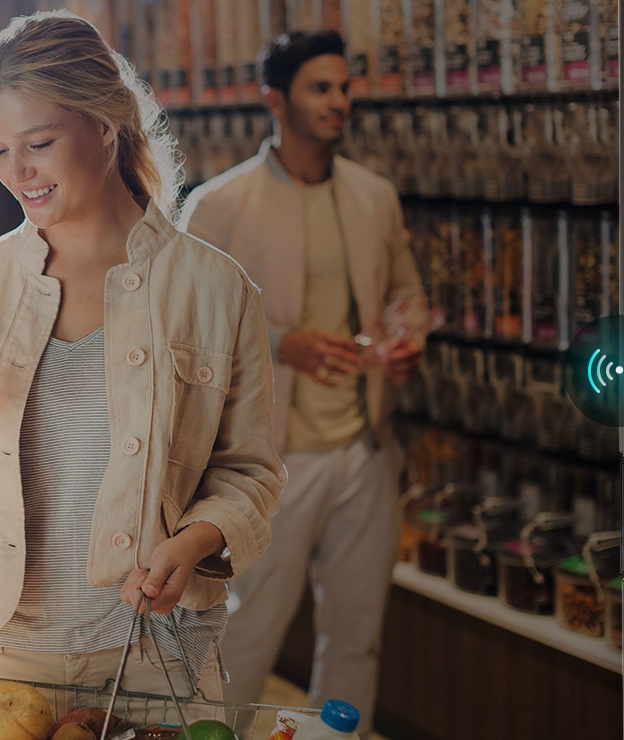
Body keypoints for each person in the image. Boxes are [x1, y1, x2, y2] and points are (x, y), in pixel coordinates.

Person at [0, 10, 283, 710]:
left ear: (104, 124)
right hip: (4, 653)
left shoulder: (214, 288)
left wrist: (193, 541)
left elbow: (252, 473)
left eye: (39, 143)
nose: (18, 173)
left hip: (159, 654)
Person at [178, 29, 428, 732]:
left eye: (344, 88)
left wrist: (408, 339)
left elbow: (407, 294)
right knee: (247, 630)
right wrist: (285, 344)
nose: (339, 102)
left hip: (365, 450)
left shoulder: (375, 196)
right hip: (269, 464)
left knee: (356, 638)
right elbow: (184, 330)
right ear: (274, 101)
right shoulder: (219, 206)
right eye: (321, 88)